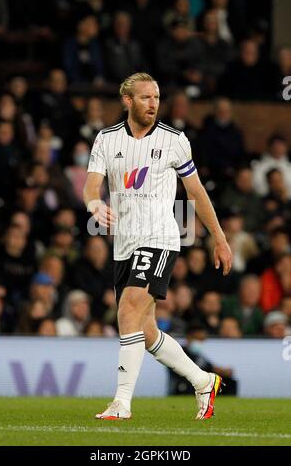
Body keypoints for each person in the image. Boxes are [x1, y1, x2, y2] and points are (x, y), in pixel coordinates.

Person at [83, 72, 232, 421]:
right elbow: (92, 186)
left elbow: (195, 192)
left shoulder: (174, 140)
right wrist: (94, 205)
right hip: (124, 244)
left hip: (161, 237)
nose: (153, 103)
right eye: (146, 97)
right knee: (146, 330)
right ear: (127, 101)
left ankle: (121, 403)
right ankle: (203, 380)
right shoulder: (105, 140)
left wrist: (219, 237)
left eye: (156, 97)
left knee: (128, 308)